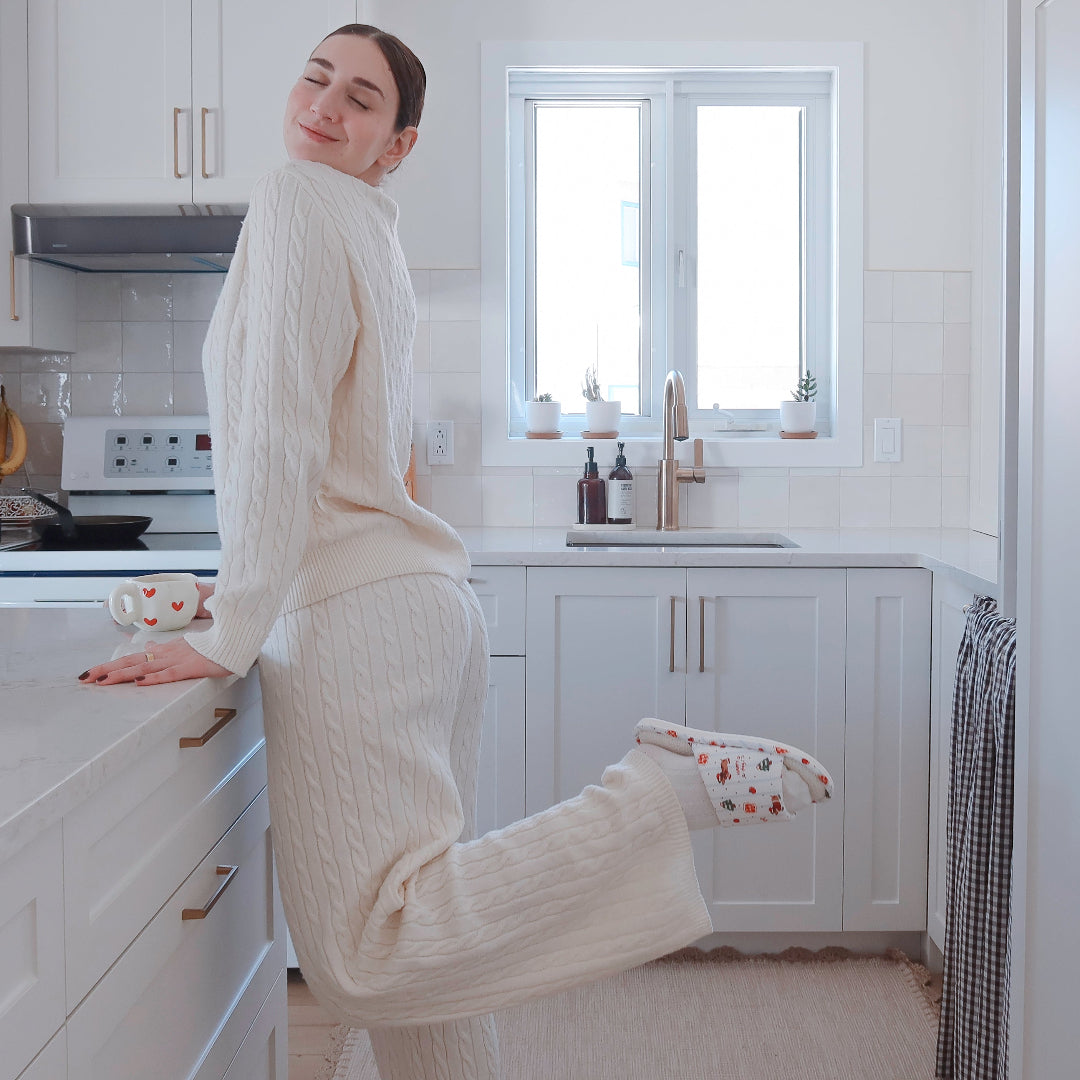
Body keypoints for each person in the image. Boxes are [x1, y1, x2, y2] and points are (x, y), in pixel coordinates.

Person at [77, 24, 833, 1080]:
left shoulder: (299, 202)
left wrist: (237, 624)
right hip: (411, 607)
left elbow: (287, 428)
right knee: (433, 962)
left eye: (362, 98)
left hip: (358, 620)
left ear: (398, 142)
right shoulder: (366, 227)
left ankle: (654, 794)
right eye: (316, 77)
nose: (324, 105)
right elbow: (336, 454)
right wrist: (231, 589)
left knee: (369, 955)